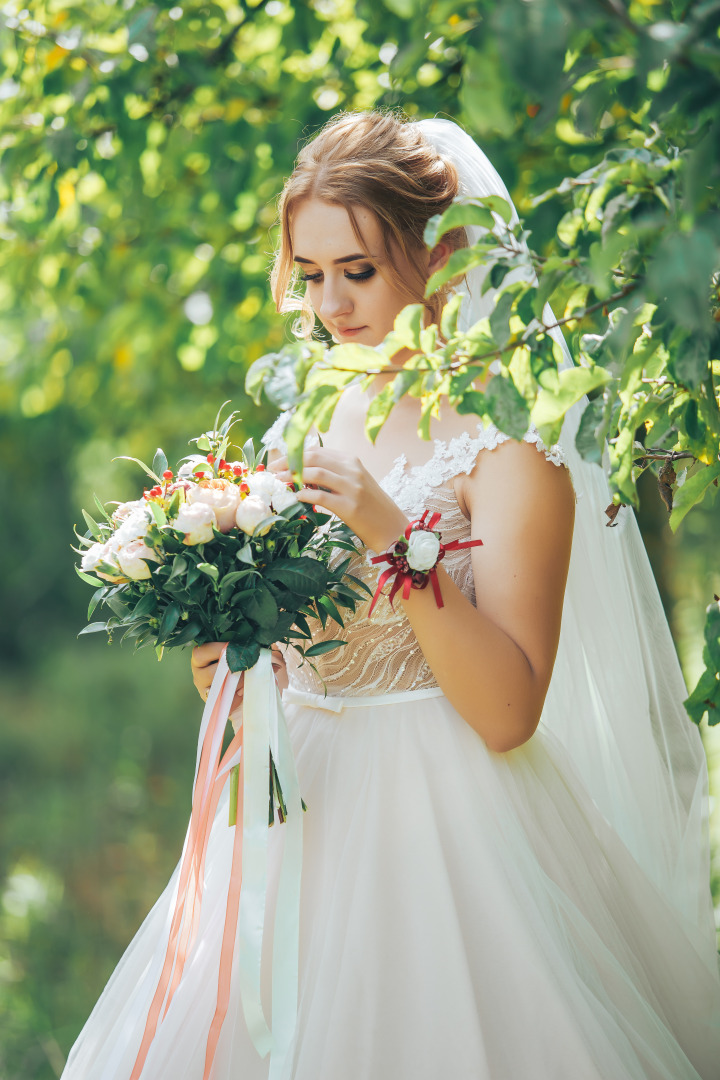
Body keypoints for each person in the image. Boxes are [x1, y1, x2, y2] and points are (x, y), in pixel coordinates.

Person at [62, 111, 720, 1079]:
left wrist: (392, 538)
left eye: (357, 271)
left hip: (456, 832)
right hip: (305, 822)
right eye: (311, 272)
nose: (330, 302)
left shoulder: (508, 444)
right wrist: (240, 666)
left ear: (439, 253)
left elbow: (506, 712)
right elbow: (314, 649)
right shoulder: (311, 424)